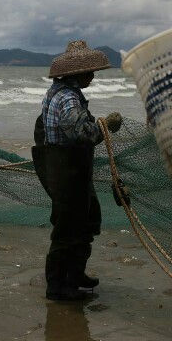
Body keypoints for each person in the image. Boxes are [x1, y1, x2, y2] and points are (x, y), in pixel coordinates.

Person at [32, 40, 111, 301]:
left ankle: (75, 275)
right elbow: (81, 133)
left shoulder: (58, 91)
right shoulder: (67, 97)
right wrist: (107, 125)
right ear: (76, 73)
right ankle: (57, 286)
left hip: (69, 171)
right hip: (67, 173)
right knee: (67, 230)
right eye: (88, 73)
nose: (91, 77)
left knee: (86, 222)